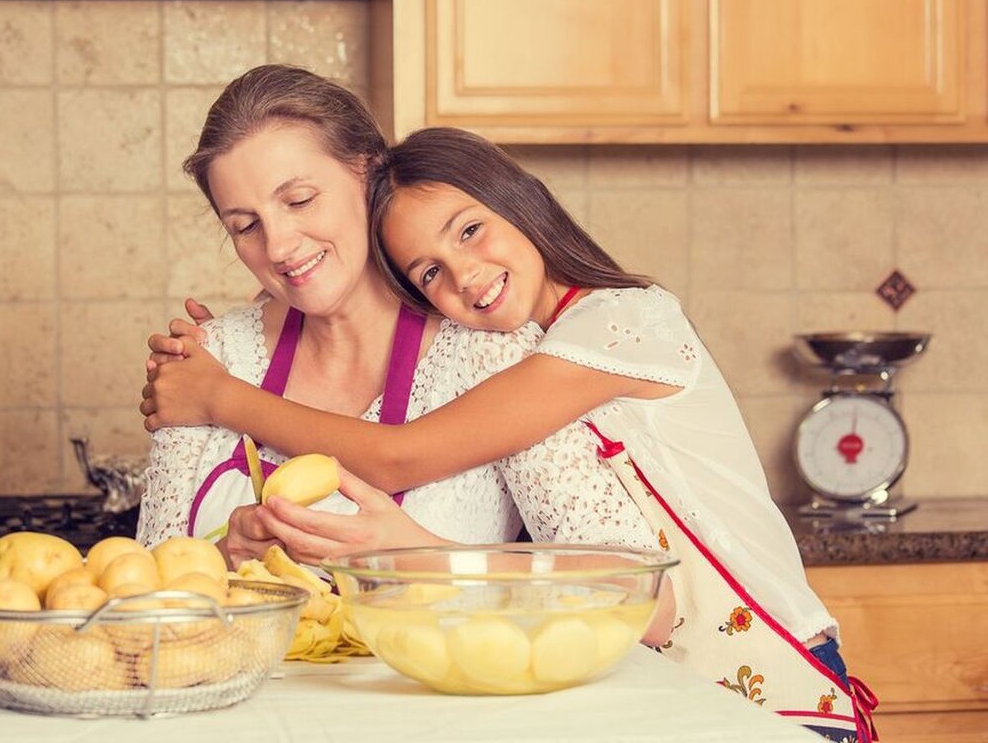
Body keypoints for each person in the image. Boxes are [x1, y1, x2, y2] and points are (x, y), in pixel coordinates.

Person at [141, 127, 877, 743]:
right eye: (428, 272)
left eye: (471, 230)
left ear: (518, 198)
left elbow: (403, 454)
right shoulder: (534, 336)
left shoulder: (615, 325)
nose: (464, 276)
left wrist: (223, 397)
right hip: (672, 691)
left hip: (777, 682)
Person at [136, 67, 655, 611]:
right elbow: (139, 599)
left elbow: (633, 597)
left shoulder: (492, 351)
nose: (280, 246)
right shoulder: (205, 360)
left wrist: (417, 556)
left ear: (369, 172)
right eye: (245, 226)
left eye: (300, 200)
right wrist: (223, 561)